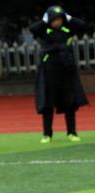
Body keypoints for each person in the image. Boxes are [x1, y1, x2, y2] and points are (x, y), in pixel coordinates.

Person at [30, 6, 89, 143]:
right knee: (47, 103)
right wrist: (45, 20)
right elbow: (33, 28)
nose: (57, 22)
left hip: (66, 70)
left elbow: (82, 25)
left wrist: (68, 17)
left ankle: (72, 132)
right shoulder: (44, 30)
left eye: (60, 19)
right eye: (54, 19)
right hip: (48, 70)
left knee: (70, 102)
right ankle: (47, 134)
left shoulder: (67, 29)